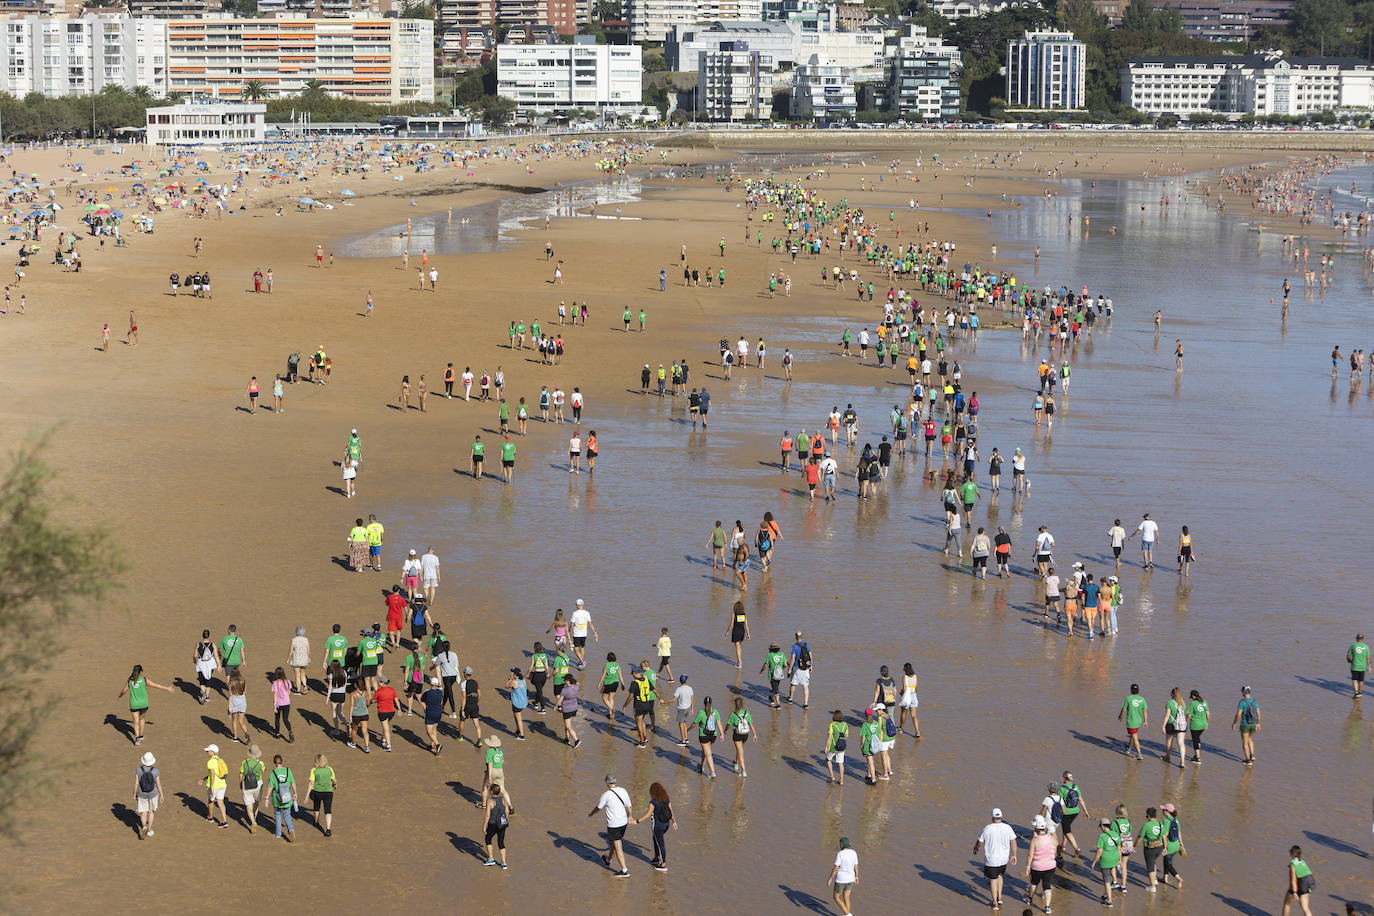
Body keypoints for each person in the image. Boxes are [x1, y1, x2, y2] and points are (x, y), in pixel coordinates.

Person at [974, 808, 1018, 911]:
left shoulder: (987, 828)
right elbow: (1014, 842)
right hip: (1003, 859)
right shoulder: (1007, 828)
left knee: (993, 880)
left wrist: (975, 848)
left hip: (991, 860)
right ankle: (1000, 898)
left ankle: (995, 903)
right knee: (1000, 875)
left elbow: (980, 842)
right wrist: (1014, 855)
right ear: (1001, 817)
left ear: (992, 817)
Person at [118, 664, 172, 746]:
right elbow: (155, 685)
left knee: (135, 721)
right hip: (144, 704)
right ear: (140, 672)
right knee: (142, 719)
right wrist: (167, 688)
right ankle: (141, 735)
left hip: (134, 704)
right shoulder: (144, 679)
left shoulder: (130, 680)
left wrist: (120, 695)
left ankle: (137, 739)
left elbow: (124, 691)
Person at [590, 774, 632, 877]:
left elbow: (598, 808)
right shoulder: (623, 790)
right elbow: (629, 805)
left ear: (606, 782)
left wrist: (591, 814)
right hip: (624, 823)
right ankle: (608, 859)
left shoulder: (606, 795)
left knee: (618, 846)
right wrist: (630, 816)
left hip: (614, 825)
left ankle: (624, 870)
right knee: (615, 841)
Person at [631, 782, 675, 872]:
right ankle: (656, 858)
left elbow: (647, 815)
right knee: (655, 839)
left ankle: (663, 864)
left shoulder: (653, 802)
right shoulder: (666, 800)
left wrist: (637, 821)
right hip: (666, 825)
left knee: (660, 844)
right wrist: (674, 822)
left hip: (657, 826)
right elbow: (672, 812)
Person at [1024, 815, 1057, 913]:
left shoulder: (1035, 840)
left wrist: (1028, 866)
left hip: (1037, 867)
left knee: (1034, 883)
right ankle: (1047, 907)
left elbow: (1030, 854)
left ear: (1037, 829)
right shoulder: (1052, 838)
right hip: (1050, 866)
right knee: (1047, 886)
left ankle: (1030, 899)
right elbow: (1054, 851)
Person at [1057, 770, 1089, 861]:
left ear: (1064, 778)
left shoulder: (1062, 788)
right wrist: (1085, 811)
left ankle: (1076, 849)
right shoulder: (1075, 787)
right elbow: (1081, 800)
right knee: (1066, 827)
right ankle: (1063, 846)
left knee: (1067, 831)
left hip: (1066, 812)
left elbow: (1059, 802)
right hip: (1076, 811)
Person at [1090, 818, 1121, 906]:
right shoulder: (1116, 834)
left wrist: (1094, 862)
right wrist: (1120, 860)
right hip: (1114, 859)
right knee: (1109, 877)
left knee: (1106, 881)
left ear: (1103, 826)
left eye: (1101, 826)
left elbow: (1100, 851)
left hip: (1105, 860)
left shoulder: (1102, 836)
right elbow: (1119, 848)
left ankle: (1109, 901)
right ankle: (1106, 894)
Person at [483, 782, 514, 869]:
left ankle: (491, 859)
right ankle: (504, 863)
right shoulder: (503, 799)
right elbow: (507, 811)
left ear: (492, 792)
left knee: (488, 839)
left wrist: (484, 826)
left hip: (492, 824)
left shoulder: (490, 801)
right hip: (502, 824)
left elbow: (487, 815)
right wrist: (505, 819)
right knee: (501, 842)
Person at [133, 751, 164, 839]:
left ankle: (144, 827)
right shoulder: (156, 771)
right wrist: (161, 795)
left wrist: (134, 793)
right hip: (153, 794)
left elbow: (136, 783)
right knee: (151, 812)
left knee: (143, 812)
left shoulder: (138, 769)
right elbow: (158, 784)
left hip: (141, 793)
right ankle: (149, 830)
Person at [268, 753, 297, 842]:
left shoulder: (273, 773)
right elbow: (293, 782)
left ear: (274, 762)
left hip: (277, 798)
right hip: (287, 796)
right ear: (282, 761)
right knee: (287, 814)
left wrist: (267, 797)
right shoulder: (288, 770)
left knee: (277, 814)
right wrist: (295, 793)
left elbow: (270, 786)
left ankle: (278, 833)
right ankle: (291, 829)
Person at [1137, 806, 1165, 893]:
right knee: (1154, 862)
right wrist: (1165, 848)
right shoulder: (1160, 824)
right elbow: (1164, 837)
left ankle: (1152, 887)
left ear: (1148, 816)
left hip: (1149, 848)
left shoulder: (1146, 825)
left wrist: (1134, 845)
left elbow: (1140, 837)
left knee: (1150, 868)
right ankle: (1155, 880)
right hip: (1159, 847)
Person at [828, 836, 859, 916]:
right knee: (846, 897)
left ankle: (848, 914)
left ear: (842, 844)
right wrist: (856, 876)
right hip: (851, 878)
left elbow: (836, 867)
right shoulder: (854, 853)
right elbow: (856, 866)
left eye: (840, 844)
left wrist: (830, 878)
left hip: (841, 879)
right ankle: (847, 914)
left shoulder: (840, 854)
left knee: (836, 897)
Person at [1281, 845, 1315, 916]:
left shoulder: (1292, 864)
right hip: (1305, 887)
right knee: (1306, 909)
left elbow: (1293, 880)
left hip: (1296, 888)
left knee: (1287, 904)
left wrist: (1294, 892)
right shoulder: (1303, 862)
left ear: (1292, 853)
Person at [239, 744, 265, 834]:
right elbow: (263, 770)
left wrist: (240, 783)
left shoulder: (244, 762)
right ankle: (254, 816)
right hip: (258, 784)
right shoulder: (260, 763)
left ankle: (253, 822)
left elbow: (241, 774)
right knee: (257, 802)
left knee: (248, 805)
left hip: (247, 784)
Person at [308, 754, 336, 837]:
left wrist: (307, 795)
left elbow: (311, 783)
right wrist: (335, 785)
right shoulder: (329, 769)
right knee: (328, 810)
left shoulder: (314, 770)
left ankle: (316, 822)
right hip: (328, 792)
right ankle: (328, 829)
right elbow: (334, 780)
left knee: (316, 807)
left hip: (317, 791)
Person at [692, 695, 720, 778]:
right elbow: (719, 723)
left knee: (708, 753)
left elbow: (694, 724)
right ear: (711, 703)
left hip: (704, 735)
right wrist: (722, 733)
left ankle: (712, 773)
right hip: (713, 735)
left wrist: (688, 730)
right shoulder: (715, 712)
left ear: (704, 703)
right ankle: (702, 767)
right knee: (705, 751)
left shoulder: (701, 713)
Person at [1232, 685, 1261, 764]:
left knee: (1245, 742)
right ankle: (1252, 755)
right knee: (1250, 739)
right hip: (1253, 724)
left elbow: (1238, 714)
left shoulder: (1242, 702)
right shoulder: (1255, 701)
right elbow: (1258, 713)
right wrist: (1258, 723)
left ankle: (1248, 760)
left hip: (1245, 724)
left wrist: (1234, 723)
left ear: (1243, 692)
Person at [203, 744, 229, 829]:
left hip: (215, 786)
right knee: (220, 802)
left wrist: (211, 787)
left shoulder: (210, 762)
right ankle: (224, 821)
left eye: (208, 751)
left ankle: (210, 817)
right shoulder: (220, 759)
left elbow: (212, 775)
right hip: (222, 784)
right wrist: (204, 779)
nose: (207, 752)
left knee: (211, 801)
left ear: (213, 752)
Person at [1119, 683, 1148, 759]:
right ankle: (1129, 749)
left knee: (1135, 736)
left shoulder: (1128, 699)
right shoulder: (1142, 699)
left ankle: (1139, 754)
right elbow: (1145, 711)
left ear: (1131, 690)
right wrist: (1145, 721)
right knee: (1133, 734)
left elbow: (1124, 709)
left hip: (1131, 721)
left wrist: (1120, 715)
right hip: (1139, 721)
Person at [1160, 802, 1185, 887]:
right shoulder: (1176, 820)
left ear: (1167, 811)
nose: (1162, 810)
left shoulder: (1166, 821)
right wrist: (1181, 844)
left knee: (1169, 864)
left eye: (1164, 809)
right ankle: (1165, 878)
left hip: (1169, 846)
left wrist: (1164, 847)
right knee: (1166, 860)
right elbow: (1179, 833)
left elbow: (1165, 834)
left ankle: (1179, 878)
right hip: (1176, 845)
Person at [458, 666, 484, 745]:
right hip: (475, 705)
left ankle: (461, 736)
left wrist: (462, 709)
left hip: (467, 705)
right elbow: (479, 694)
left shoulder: (463, 684)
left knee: (462, 720)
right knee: (477, 724)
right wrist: (477, 702)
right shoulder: (476, 682)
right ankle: (479, 740)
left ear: (465, 674)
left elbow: (463, 696)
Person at [727, 696, 752, 777]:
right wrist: (754, 734)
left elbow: (728, 725)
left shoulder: (733, 714)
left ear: (735, 704)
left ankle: (744, 771)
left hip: (737, 734)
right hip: (745, 734)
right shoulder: (746, 713)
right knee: (739, 749)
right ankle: (736, 764)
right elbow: (751, 724)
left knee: (740, 752)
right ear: (742, 704)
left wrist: (724, 731)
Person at [1162, 686, 1187, 768]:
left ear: (1173, 694)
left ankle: (1168, 756)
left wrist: (1163, 725)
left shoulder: (1170, 703)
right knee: (1181, 743)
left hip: (1171, 724)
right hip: (1181, 725)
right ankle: (1182, 762)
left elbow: (1167, 715)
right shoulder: (1183, 703)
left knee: (1169, 741)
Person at [667, 674, 694, 747]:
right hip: (688, 708)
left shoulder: (678, 689)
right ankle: (686, 738)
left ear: (680, 681)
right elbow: (692, 699)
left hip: (681, 709)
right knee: (684, 722)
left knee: (681, 724)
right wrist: (692, 709)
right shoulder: (690, 688)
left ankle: (683, 741)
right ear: (686, 680)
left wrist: (665, 702)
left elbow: (673, 700)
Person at [787, 630, 812, 708]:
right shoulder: (806, 645)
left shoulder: (794, 646)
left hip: (797, 668)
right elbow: (811, 656)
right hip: (806, 668)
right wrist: (810, 666)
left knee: (793, 684)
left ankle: (790, 699)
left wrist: (790, 669)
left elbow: (793, 659)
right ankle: (805, 704)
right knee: (805, 686)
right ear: (802, 637)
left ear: (795, 637)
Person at [421, 676, 444, 755]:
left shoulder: (427, 692)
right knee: (434, 729)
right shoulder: (440, 692)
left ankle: (437, 744)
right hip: (438, 712)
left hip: (430, 712)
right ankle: (432, 745)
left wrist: (425, 708)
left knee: (429, 731)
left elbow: (422, 700)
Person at [192, 631, 217, 705]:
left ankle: (203, 693)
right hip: (210, 664)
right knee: (208, 680)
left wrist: (195, 661)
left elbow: (195, 655)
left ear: (202, 635)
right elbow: (216, 655)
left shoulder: (198, 644)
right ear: (209, 636)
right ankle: (207, 696)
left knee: (202, 681)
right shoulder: (213, 644)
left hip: (201, 664)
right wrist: (218, 664)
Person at [271, 667, 295, 742]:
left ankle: (277, 733)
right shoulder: (287, 681)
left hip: (279, 703)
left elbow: (275, 694)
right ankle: (290, 732)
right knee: (285, 719)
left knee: (277, 719)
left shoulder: (275, 683)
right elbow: (289, 692)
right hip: (287, 703)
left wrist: (274, 706)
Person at [559, 673, 582, 748]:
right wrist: (573, 680)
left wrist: (555, 706)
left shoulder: (564, 689)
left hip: (567, 709)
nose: (564, 680)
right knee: (567, 724)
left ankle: (576, 740)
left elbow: (560, 699)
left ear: (567, 680)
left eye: (564, 679)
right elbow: (578, 683)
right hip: (574, 708)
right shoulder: (576, 687)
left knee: (568, 726)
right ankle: (566, 738)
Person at [506, 668, 528, 739]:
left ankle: (522, 735)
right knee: (515, 716)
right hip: (524, 701)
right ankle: (518, 730)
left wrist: (510, 679)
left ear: (515, 674)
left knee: (519, 719)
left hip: (517, 703)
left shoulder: (514, 682)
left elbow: (506, 686)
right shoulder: (523, 680)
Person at [727, 600, 750, 667]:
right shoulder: (744, 615)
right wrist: (748, 634)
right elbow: (746, 625)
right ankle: (739, 661)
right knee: (739, 647)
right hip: (742, 632)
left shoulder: (734, 614)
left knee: (737, 648)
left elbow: (731, 624)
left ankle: (739, 663)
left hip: (736, 631)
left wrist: (728, 631)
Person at [1347, 633, 1369, 697]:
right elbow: (1368, 658)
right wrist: (1369, 667)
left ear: (1356, 638)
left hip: (1354, 666)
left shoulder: (1353, 646)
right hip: (1362, 666)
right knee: (1361, 680)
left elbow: (1348, 655)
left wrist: (1349, 661)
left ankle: (1356, 693)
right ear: (1363, 639)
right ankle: (1360, 691)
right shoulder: (1366, 647)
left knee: (1354, 680)